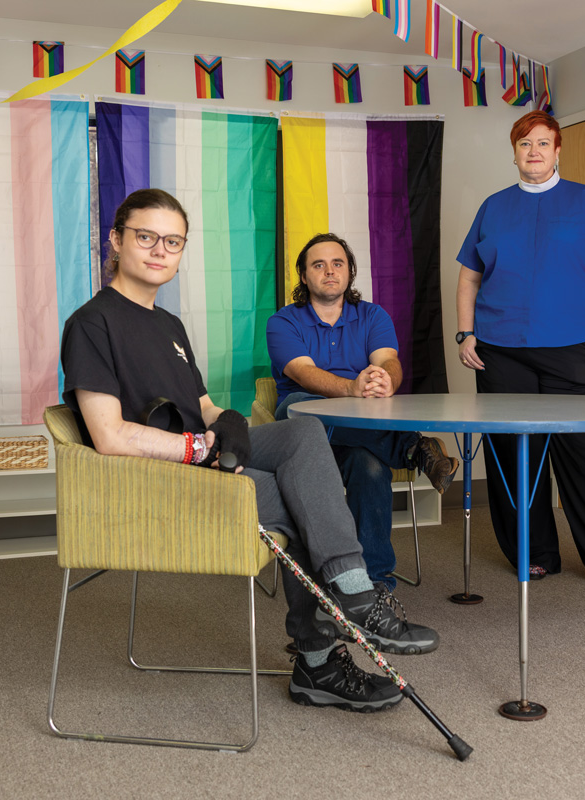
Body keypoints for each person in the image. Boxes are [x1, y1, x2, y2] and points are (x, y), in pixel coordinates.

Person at [60, 189, 440, 714]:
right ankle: (321, 657)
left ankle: (350, 597)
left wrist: (228, 422)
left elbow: (204, 405)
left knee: (303, 432)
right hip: (159, 478)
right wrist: (199, 447)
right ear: (117, 240)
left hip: (203, 456)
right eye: (146, 237)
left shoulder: (168, 324)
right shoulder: (92, 323)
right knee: (293, 495)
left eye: (172, 241)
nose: (158, 250)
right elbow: (110, 436)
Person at [455, 110, 585, 593]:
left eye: (543, 143)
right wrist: (465, 334)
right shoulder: (493, 206)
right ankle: (534, 554)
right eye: (525, 143)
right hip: (500, 352)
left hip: (574, 350)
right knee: (514, 459)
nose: (534, 151)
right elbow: (470, 276)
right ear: (514, 152)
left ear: (557, 151)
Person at [266, 233, 460, 590]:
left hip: (360, 428)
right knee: (301, 410)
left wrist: (386, 380)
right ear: (304, 275)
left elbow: (389, 360)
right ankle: (412, 449)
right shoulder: (284, 321)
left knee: (369, 468)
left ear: (350, 272)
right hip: (304, 421)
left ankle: (373, 584)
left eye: (337, 263)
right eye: (318, 265)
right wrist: (351, 388)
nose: (329, 271)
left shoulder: (372, 315)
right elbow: (302, 373)